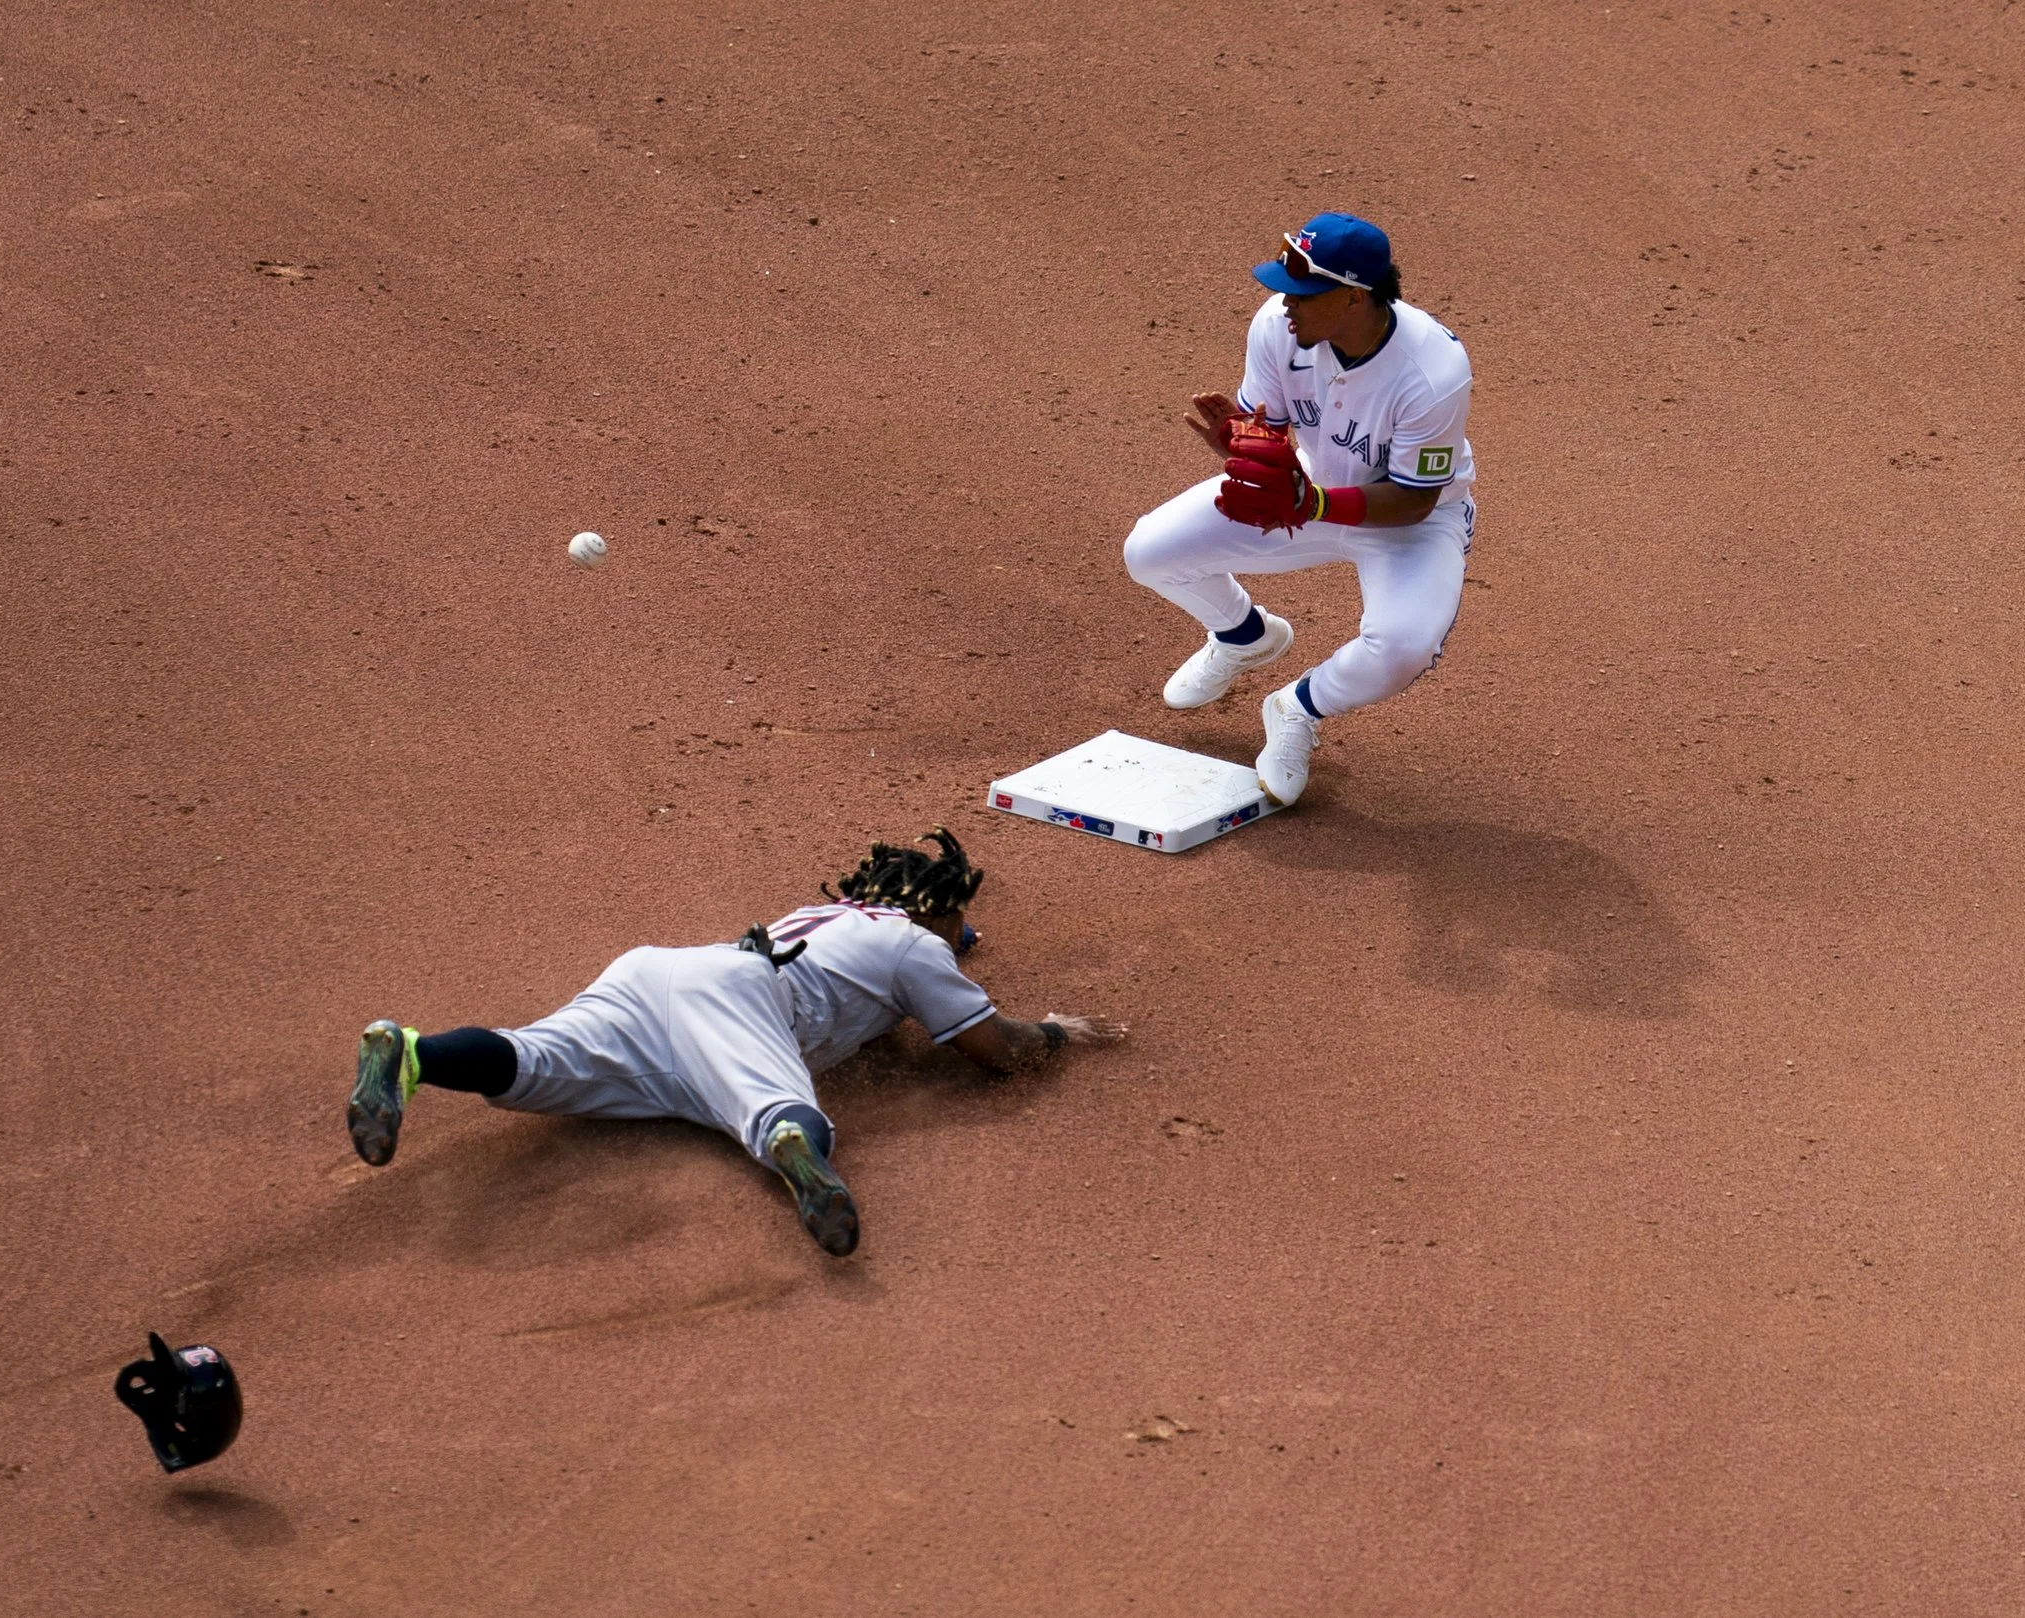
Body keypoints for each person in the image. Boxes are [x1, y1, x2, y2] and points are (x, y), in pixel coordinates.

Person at [344, 829, 1125, 1257]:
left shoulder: (841, 918)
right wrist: (1057, 1033)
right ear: (930, 915)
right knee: (772, 1110)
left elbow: (919, 941)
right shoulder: (918, 947)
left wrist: (955, 939)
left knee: (534, 1061)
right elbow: (993, 1050)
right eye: (956, 925)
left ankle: (410, 1051)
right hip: (742, 1007)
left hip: (654, 976)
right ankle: (796, 1150)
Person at [1122, 211, 1479, 806]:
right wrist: (1241, 447)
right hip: (1308, 493)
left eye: (1304, 293)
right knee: (1150, 552)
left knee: (1403, 647)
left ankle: (1297, 707)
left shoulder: (1433, 373)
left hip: (1407, 521)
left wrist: (1310, 502)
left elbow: (1413, 499)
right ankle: (1244, 636)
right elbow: (1269, 432)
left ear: (1353, 297)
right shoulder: (1278, 329)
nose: (1285, 303)